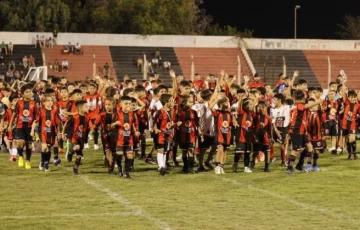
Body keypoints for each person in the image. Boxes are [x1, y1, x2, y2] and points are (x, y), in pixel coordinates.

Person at [8, 84, 39, 169]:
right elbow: (14, 114)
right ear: (22, 94)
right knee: (19, 144)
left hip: (29, 127)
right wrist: (10, 125)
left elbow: (36, 116)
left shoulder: (34, 104)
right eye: (27, 92)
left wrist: (34, 127)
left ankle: (28, 161)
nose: (29, 93)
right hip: (19, 126)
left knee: (29, 145)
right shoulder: (19, 103)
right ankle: (21, 156)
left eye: (30, 92)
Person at [31, 96, 61, 172]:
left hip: (51, 133)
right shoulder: (41, 111)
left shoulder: (54, 111)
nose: (50, 102)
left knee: (48, 150)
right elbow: (36, 121)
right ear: (44, 103)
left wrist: (58, 133)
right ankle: (45, 163)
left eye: (51, 101)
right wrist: (32, 131)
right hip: (43, 132)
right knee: (44, 148)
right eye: (48, 101)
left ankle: (44, 163)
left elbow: (57, 123)